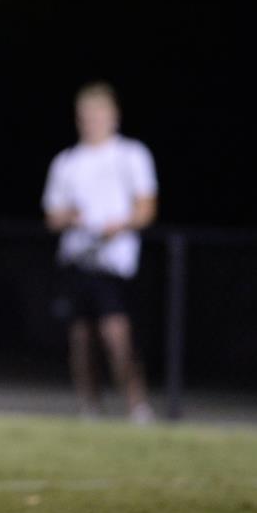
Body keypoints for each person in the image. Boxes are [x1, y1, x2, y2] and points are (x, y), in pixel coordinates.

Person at [42, 82, 158, 422]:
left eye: (98, 115)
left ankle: (136, 404)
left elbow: (147, 208)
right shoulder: (67, 162)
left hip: (114, 260)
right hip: (77, 257)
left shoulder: (131, 155)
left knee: (115, 333)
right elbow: (52, 216)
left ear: (114, 117)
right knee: (80, 338)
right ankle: (89, 405)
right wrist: (69, 217)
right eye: (86, 116)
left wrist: (117, 226)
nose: (92, 122)